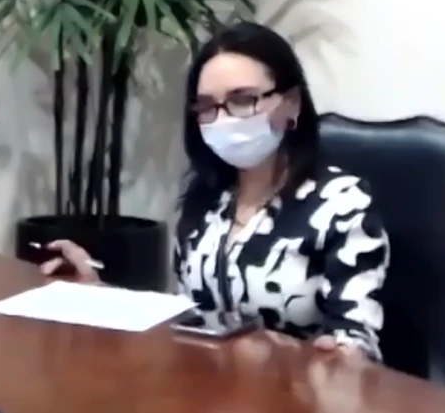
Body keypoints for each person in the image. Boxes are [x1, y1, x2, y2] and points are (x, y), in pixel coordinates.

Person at [42, 22, 389, 361]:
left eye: (243, 100)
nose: (223, 119)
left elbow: (358, 344)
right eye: (207, 106)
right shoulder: (207, 200)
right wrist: (96, 293)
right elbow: (188, 319)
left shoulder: (341, 205)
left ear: (292, 103)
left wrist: (334, 355)